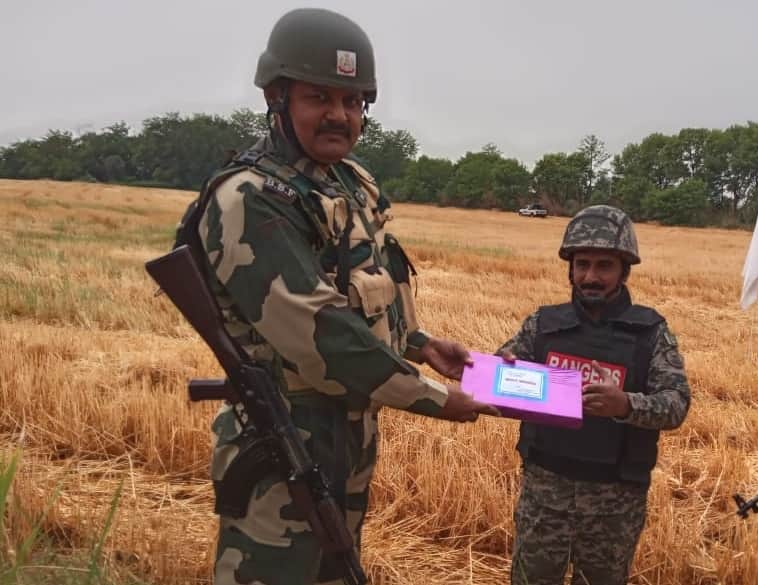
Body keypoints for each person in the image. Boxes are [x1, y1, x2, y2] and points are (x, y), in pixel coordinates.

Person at [178, 8, 495, 584]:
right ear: (277, 97)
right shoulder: (251, 198)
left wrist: (420, 344)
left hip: (348, 433)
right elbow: (320, 333)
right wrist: (433, 397)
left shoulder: (351, 181)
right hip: (282, 437)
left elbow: (369, 288)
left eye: (353, 101)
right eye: (318, 97)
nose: (339, 115)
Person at [497, 205, 691, 585]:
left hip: (614, 503)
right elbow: (502, 379)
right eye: (582, 264)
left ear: (624, 271)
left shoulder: (649, 332)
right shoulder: (542, 325)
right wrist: (500, 371)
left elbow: (677, 404)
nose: (590, 276)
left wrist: (627, 405)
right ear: (570, 268)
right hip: (545, 494)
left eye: (604, 266)